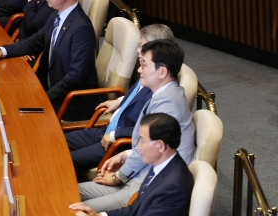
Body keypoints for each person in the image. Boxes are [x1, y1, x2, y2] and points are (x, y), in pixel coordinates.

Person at [78, 39, 195, 212]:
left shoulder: (168, 103)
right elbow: (151, 145)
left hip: (142, 187)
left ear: (162, 72)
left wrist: (119, 176)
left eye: (144, 65)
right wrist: (125, 154)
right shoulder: (164, 94)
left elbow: (156, 148)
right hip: (138, 175)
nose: (139, 69)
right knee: (68, 192)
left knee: (71, 208)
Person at [0, 0, 99, 120]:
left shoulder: (81, 28)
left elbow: (75, 77)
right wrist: (3, 51)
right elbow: (34, 42)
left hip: (70, 104)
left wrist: (44, 97)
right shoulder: (57, 14)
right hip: (48, 87)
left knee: (12, 115)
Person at [65, 24, 175, 172]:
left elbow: (150, 130)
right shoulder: (148, 69)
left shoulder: (159, 86)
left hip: (118, 143)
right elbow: (137, 95)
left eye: (142, 46)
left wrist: (114, 135)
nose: (137, 50)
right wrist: (119, 101)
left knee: (64, 160)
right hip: (106, 130)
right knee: (56, 142)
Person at [69, 113, 194, 216]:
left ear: (160, 145)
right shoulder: (163, 165)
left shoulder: (173, 187)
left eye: (143, 141)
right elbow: (136, 208)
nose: (138, 147)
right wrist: (100, 215)